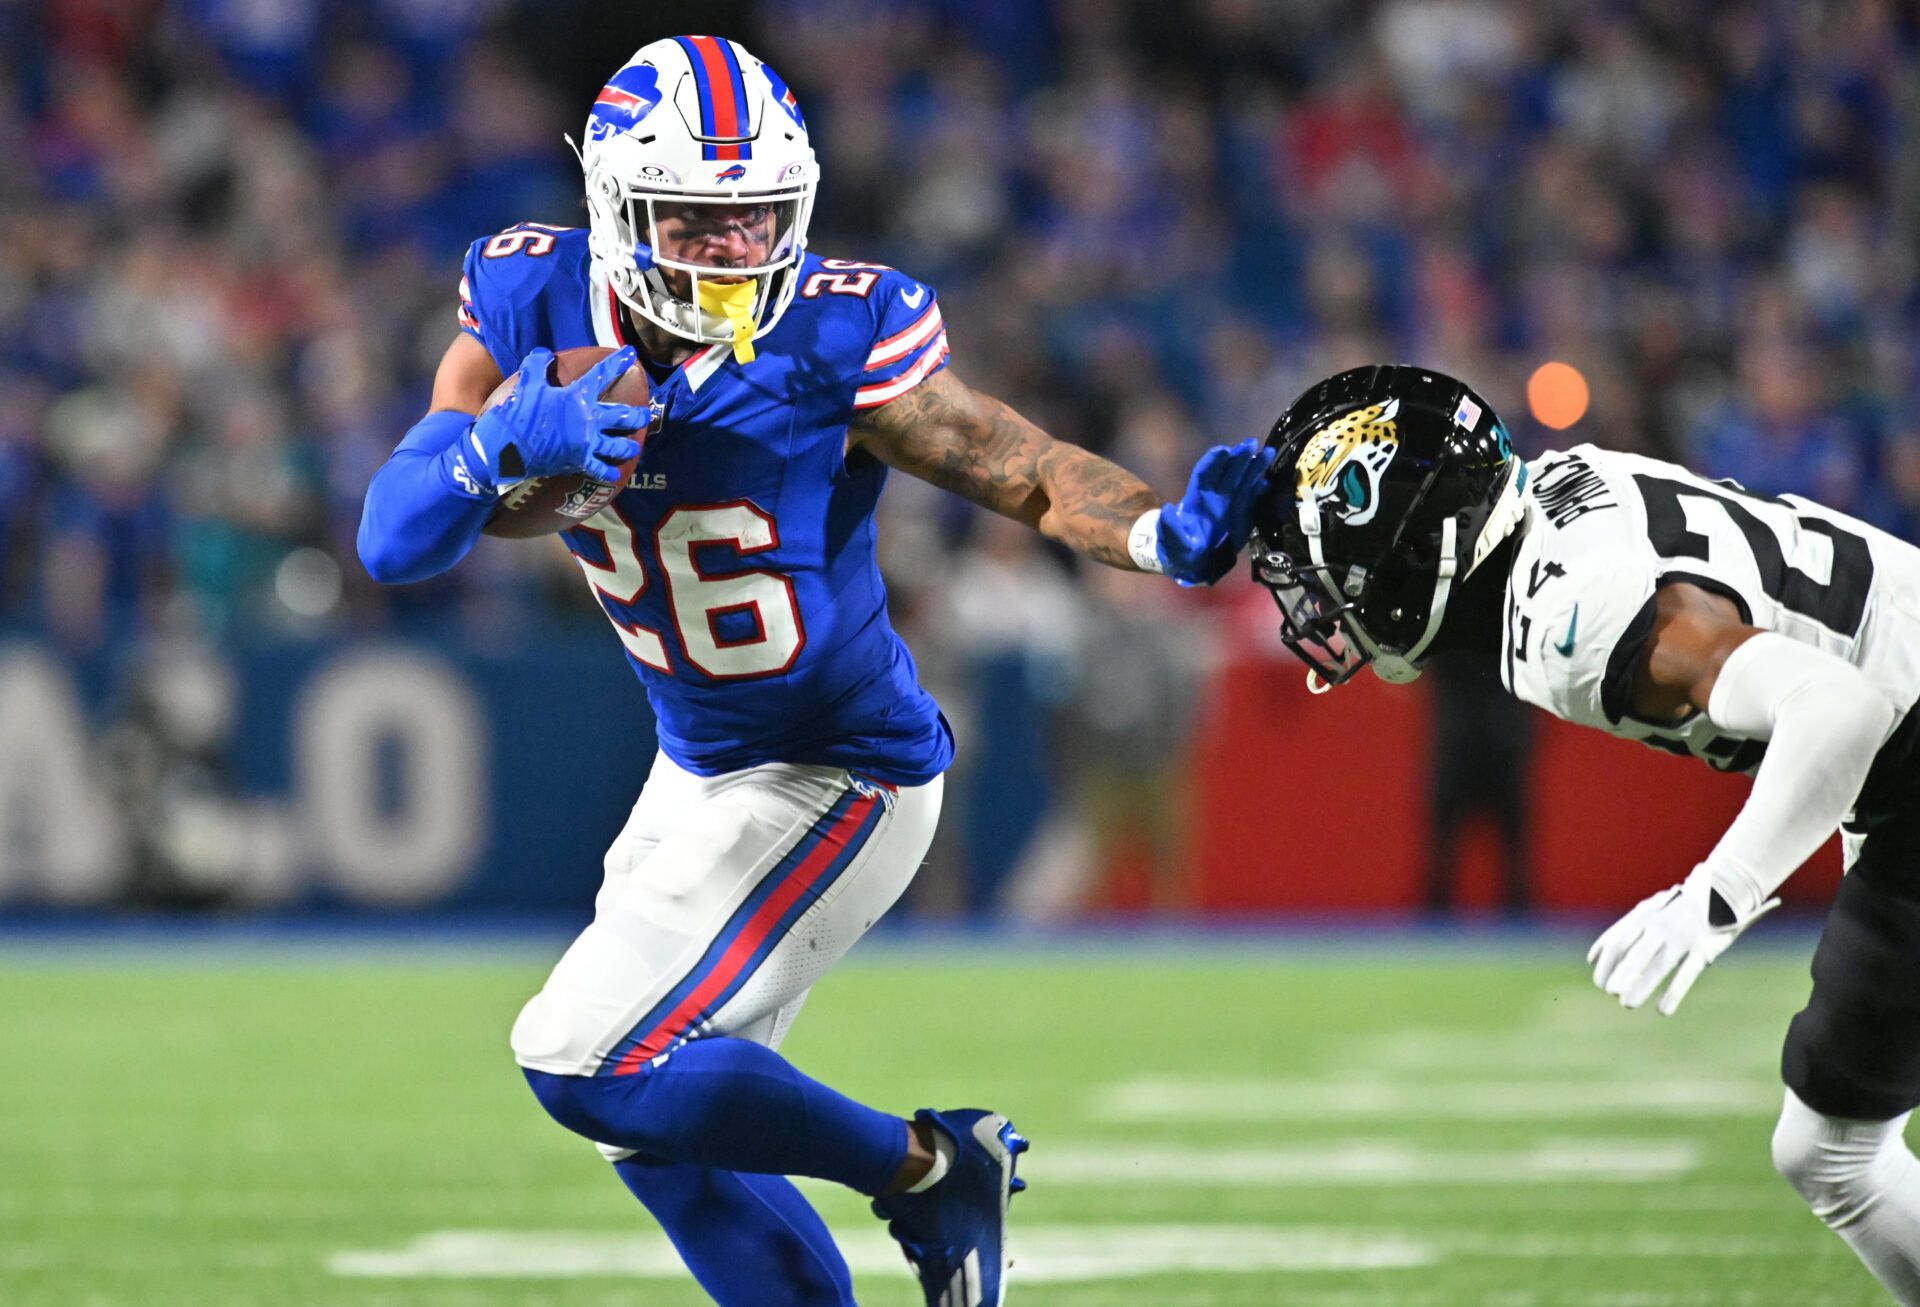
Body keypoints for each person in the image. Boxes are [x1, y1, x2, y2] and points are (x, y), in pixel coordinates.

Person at [356, 35, 1271, 1307]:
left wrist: (1165, 533)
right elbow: (393, 536)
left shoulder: (836, 331)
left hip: (846, 768)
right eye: (698, 222)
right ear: (618, 212)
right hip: (702, 766)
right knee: (660, 1125)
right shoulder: (527, 295)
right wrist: (495, 445)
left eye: (758, 222)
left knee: (582, 1056)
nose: (735, 256)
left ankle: (929, 1166)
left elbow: (1028, 467)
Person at [1244, 363, 1920, 1304]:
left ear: (1413, 555)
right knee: (1830, 1145)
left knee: (1834, 1153)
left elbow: (1841, 710)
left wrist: (1715, 895)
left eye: (1338, 576)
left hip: (1906, 748)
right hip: (1898, 740)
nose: (1322, 606)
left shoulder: (1570, 617)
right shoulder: (1555, 486)